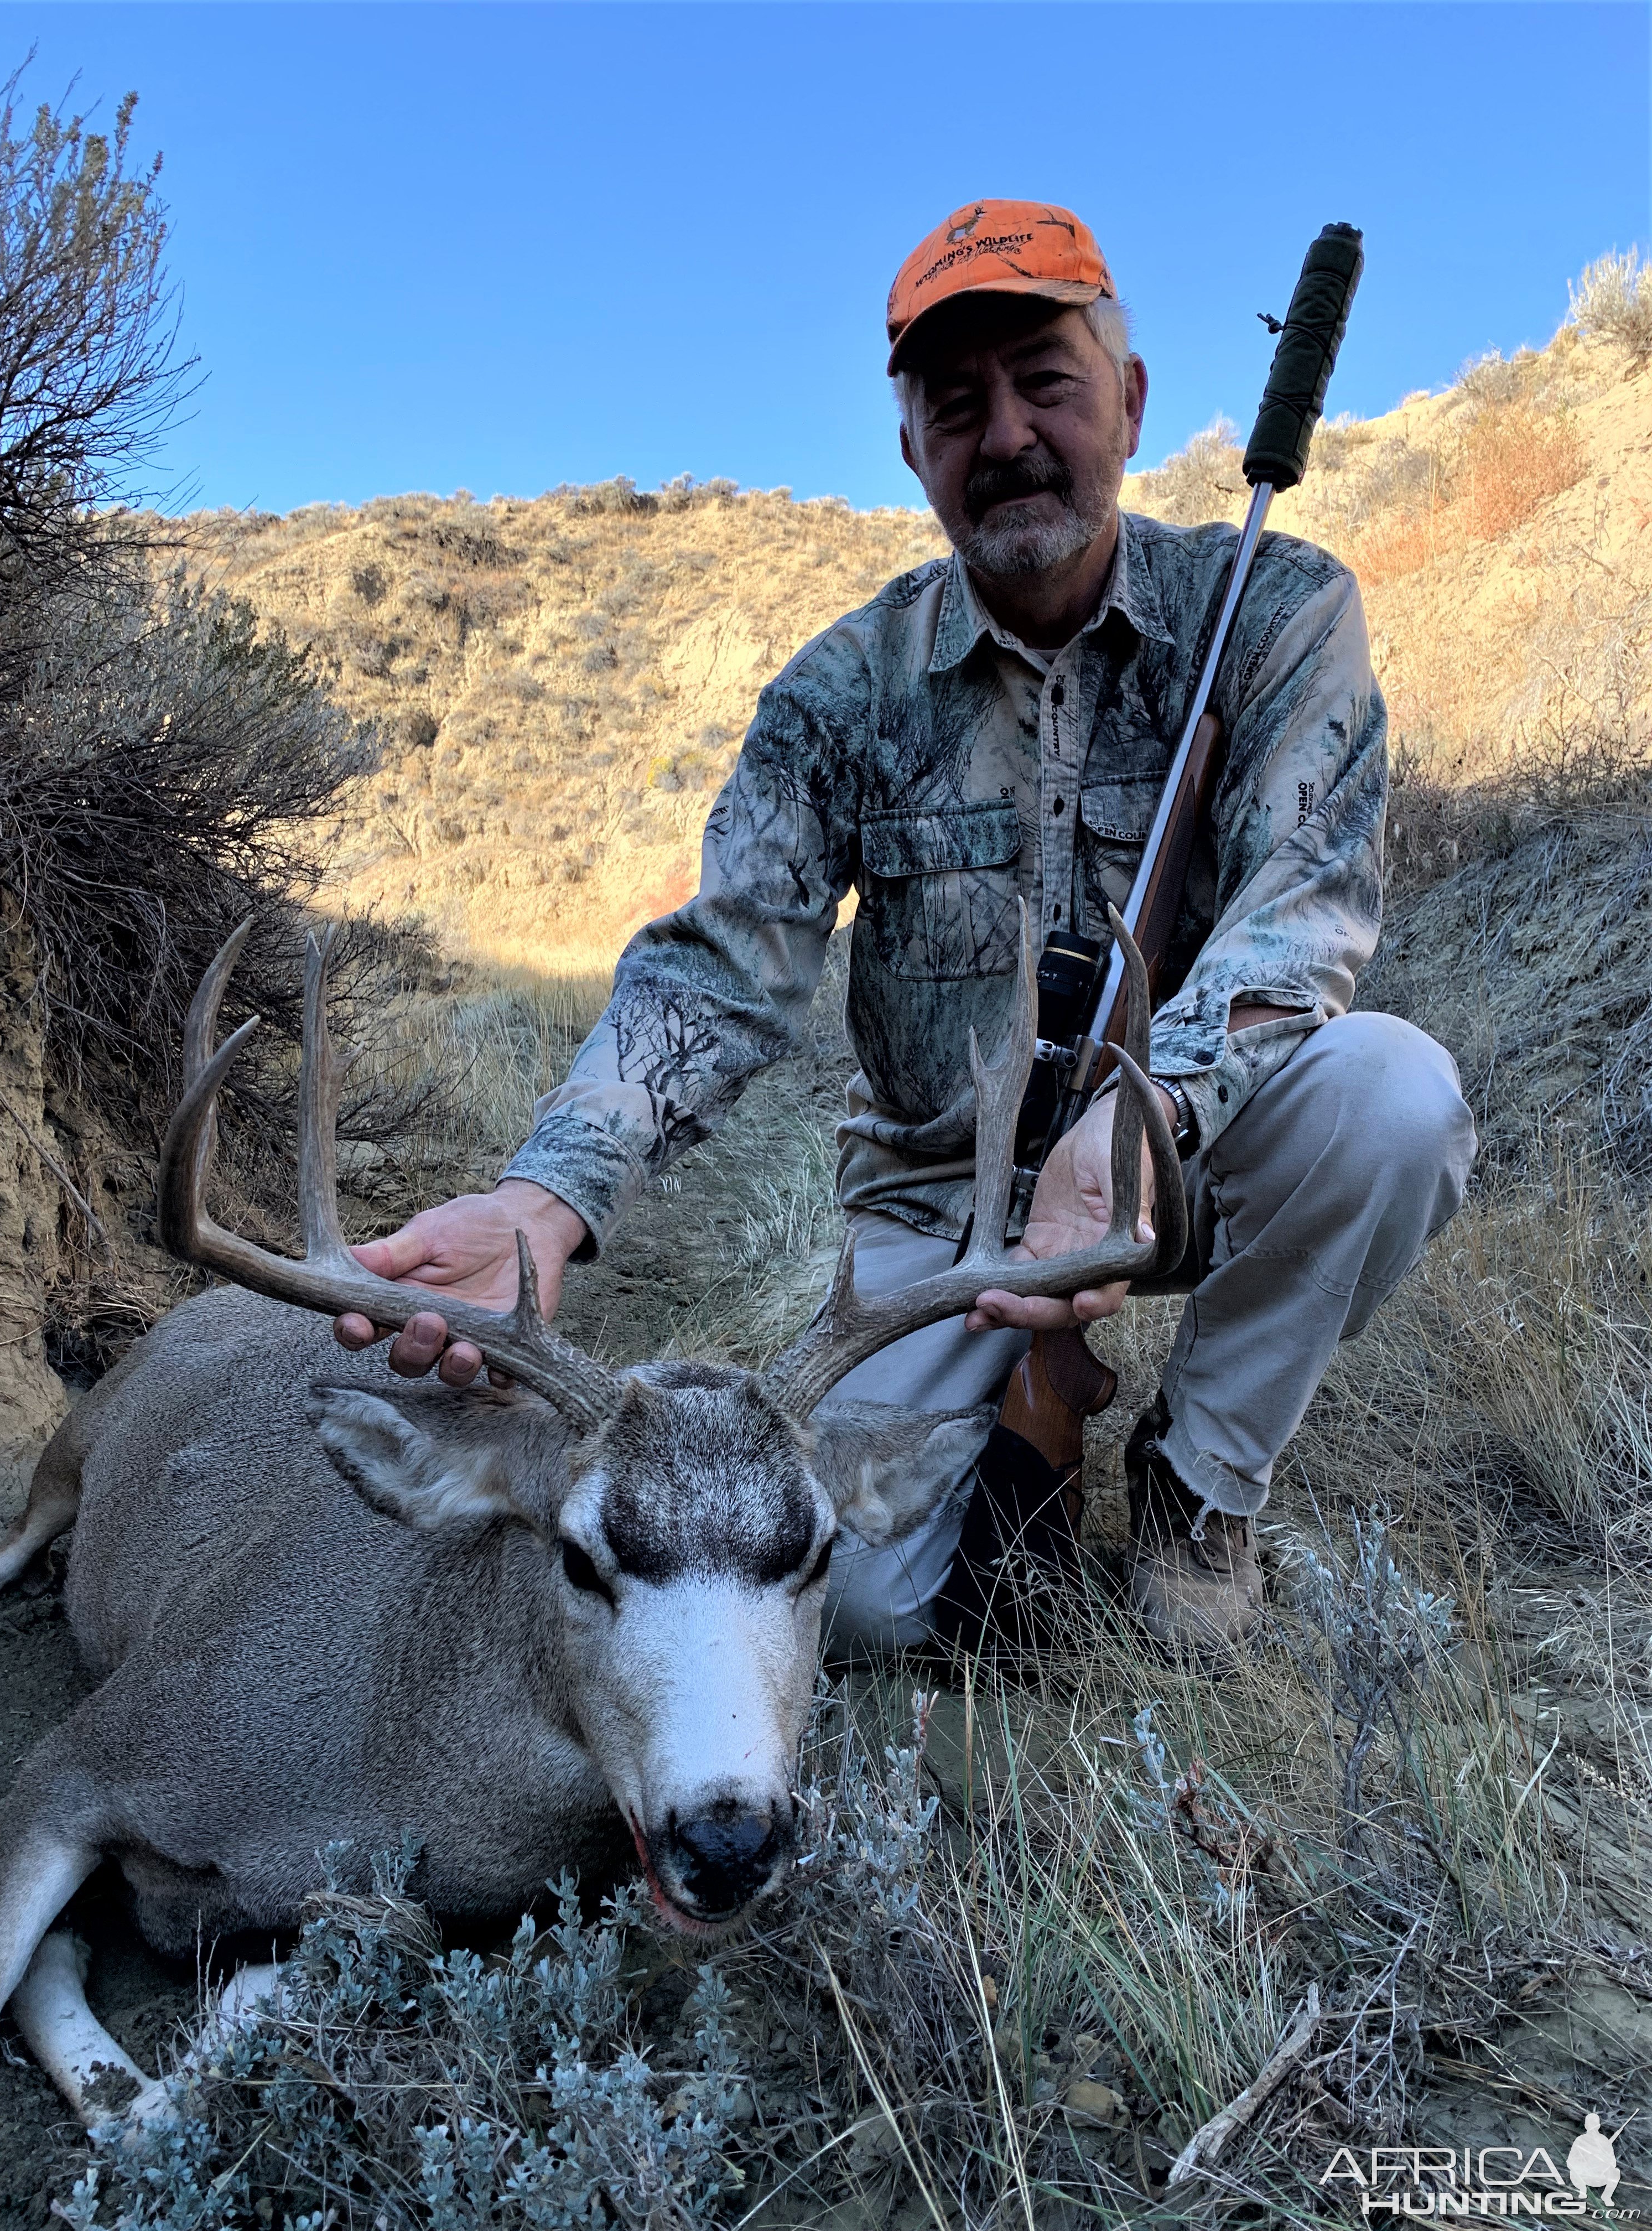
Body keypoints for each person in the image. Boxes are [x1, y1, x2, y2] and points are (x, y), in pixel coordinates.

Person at [333, 200, 1477, 1659]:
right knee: (866, 1606)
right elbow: (723, 962)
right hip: (940, 1199)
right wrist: (547, 1198)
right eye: (958, 402)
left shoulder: (1280, 614)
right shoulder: (842, 692)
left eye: (1046, 382)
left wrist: (1138, 1128)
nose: (1005, 432)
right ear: (913, 451)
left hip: (1189, 1152)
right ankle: (1019, 1400)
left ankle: (1200, 1483)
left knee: (1395, 1101)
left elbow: (1301, 913)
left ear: (1128, 402)